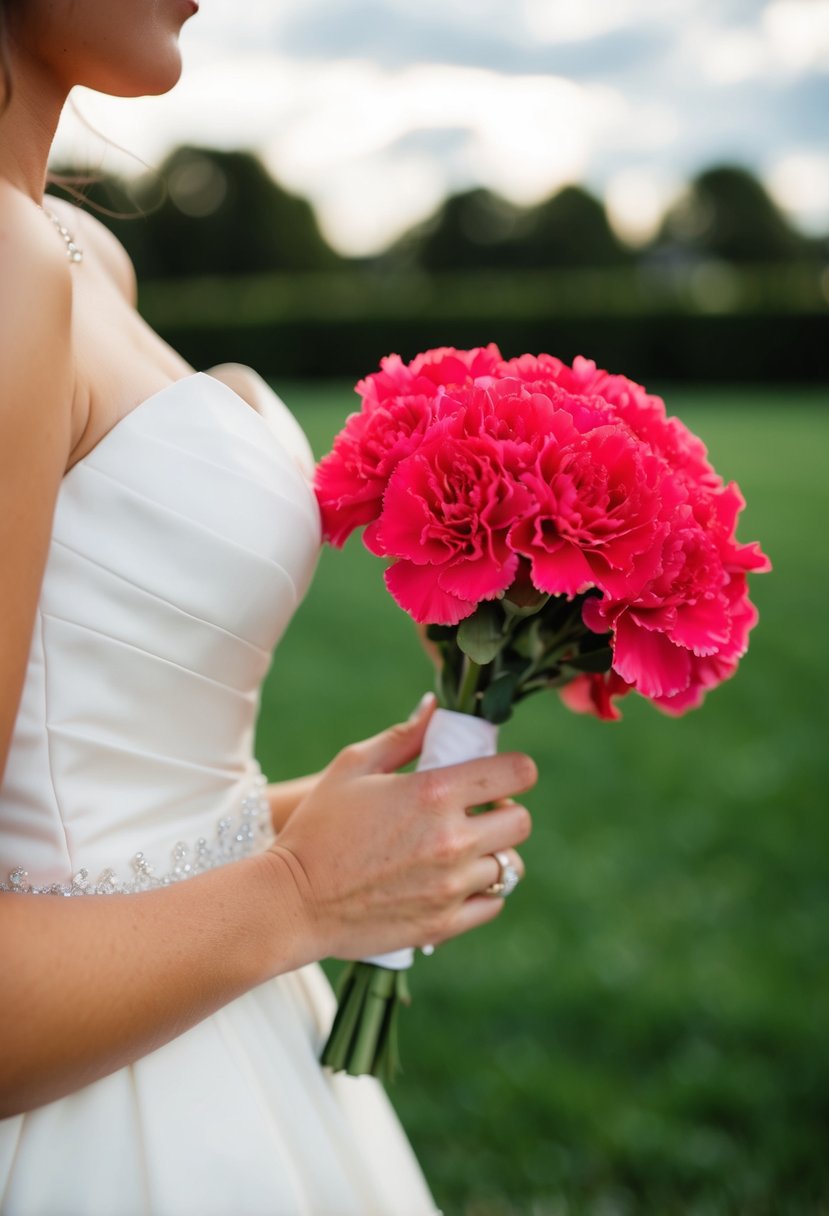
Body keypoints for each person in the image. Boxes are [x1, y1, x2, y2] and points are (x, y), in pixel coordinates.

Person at [0, 2, 537, 1213]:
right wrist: (301, 895)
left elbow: (65, 812)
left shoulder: (79, 246)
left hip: (211, 1035)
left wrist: (344, 828)